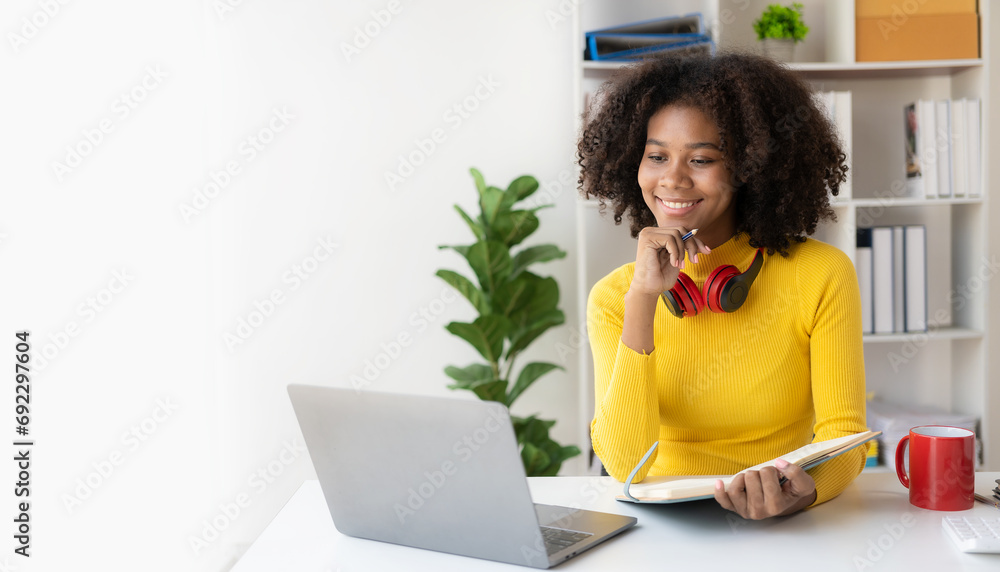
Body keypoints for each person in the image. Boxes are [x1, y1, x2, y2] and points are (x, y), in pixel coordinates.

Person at [577, 51, 867, 520]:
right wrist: (643, 300)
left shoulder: (822, 273)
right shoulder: (617, 297)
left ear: (749, 167)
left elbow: (846, 438)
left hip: (785, 523)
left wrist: (803, 494)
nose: (672, 178)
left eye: (701, 159)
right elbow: (625, 464)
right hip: (665, 525)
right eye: (656, 156)